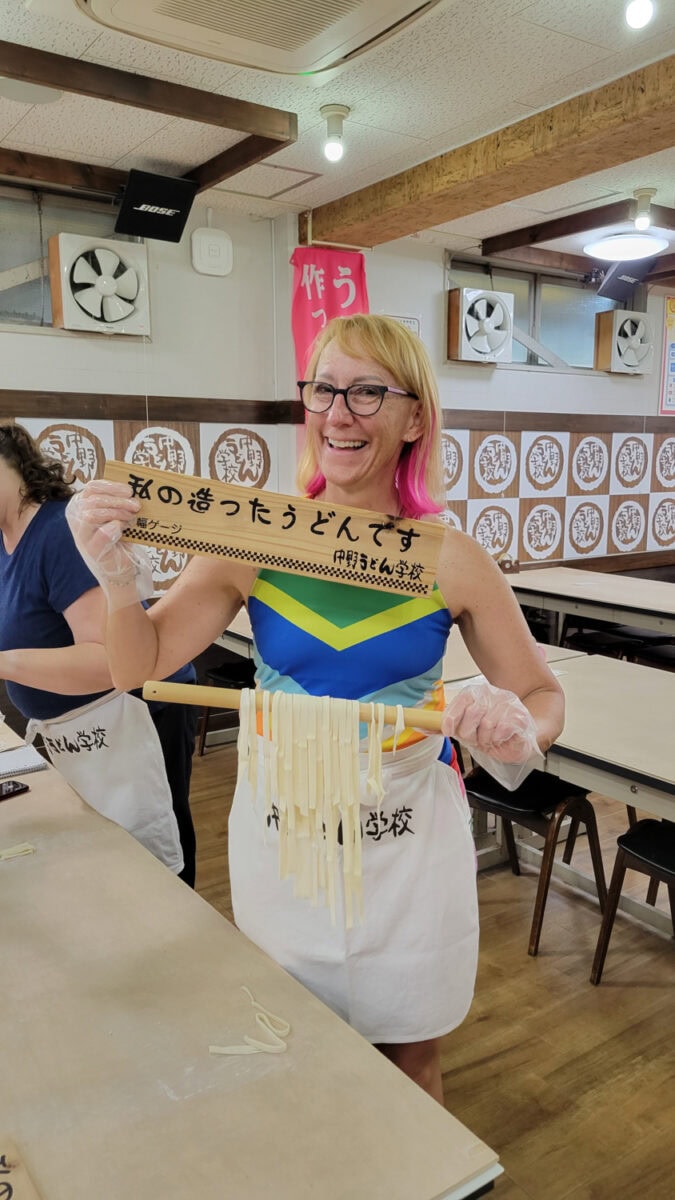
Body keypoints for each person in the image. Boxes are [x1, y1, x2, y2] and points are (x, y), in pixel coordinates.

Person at [66, 314, 564, 1104]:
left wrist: (512, 721)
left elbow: (542, 696)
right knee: (293, 1039)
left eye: (368, 392)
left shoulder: (451, 559)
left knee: (409, 1050)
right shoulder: (253, 536)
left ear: (414, 419)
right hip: (284, 830)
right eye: (324, 389)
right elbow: (140, 668)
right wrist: (117, 581)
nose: (339, 412)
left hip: (405, 837)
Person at [0, 423, 199, 886]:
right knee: (110, 850)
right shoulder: (7, 538)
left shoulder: (56, 533)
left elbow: (107, 662)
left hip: (136, 712)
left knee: (155, 854)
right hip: (79, 730)